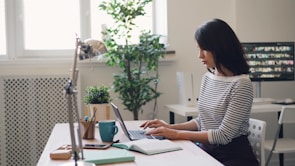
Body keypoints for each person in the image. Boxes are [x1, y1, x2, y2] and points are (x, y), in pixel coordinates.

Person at [140, 18, 259, 166]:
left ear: (221, 48)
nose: (200, 55)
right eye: (198, 49)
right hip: (207, 150)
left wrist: (176, 134)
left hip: (232, 157)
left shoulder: (241, 84)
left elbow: (223, 135)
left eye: (204, 49)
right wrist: (168, 127)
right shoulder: (208, 78)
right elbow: (203, 121)